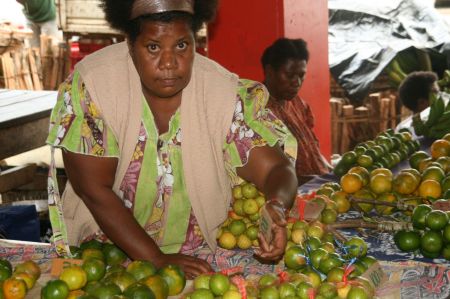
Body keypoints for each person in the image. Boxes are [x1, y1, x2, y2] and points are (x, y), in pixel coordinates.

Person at [46, 0, 298, 278]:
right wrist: (155, 258)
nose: (169, 63)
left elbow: (276, 168)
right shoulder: (94, 84)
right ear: (129, 44)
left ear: (195, 42)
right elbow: (93, 188)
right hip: (103, 255)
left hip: (197, 255)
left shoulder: (221, 93)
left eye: (181, 45)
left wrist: (276, 204)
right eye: (153, 47)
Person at [261, 38, 331, 185]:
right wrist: (322, 180)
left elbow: (312, 149)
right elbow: (269, 174)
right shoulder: (257, 111)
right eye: (289, 75)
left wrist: (330, 171)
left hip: (318, 187)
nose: (296, 82)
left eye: (301, 75)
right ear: (269, 72)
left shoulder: (298, 104)